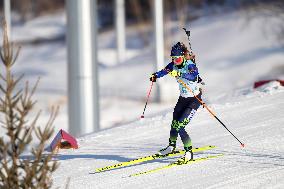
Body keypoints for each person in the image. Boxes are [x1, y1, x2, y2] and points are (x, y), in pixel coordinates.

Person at [150, 42, 202, 162]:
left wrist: (179, 73)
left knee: (180, 126)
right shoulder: (173, 64)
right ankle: (171, 147)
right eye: (173, 59)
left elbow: (194, 76)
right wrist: (155, 76)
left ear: (183, 56)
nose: (175, 61)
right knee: (174, 123)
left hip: (194, 99)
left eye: (177, 58)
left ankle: (189, 152)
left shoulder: (189, 64)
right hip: (183, 99)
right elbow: (164, 71)